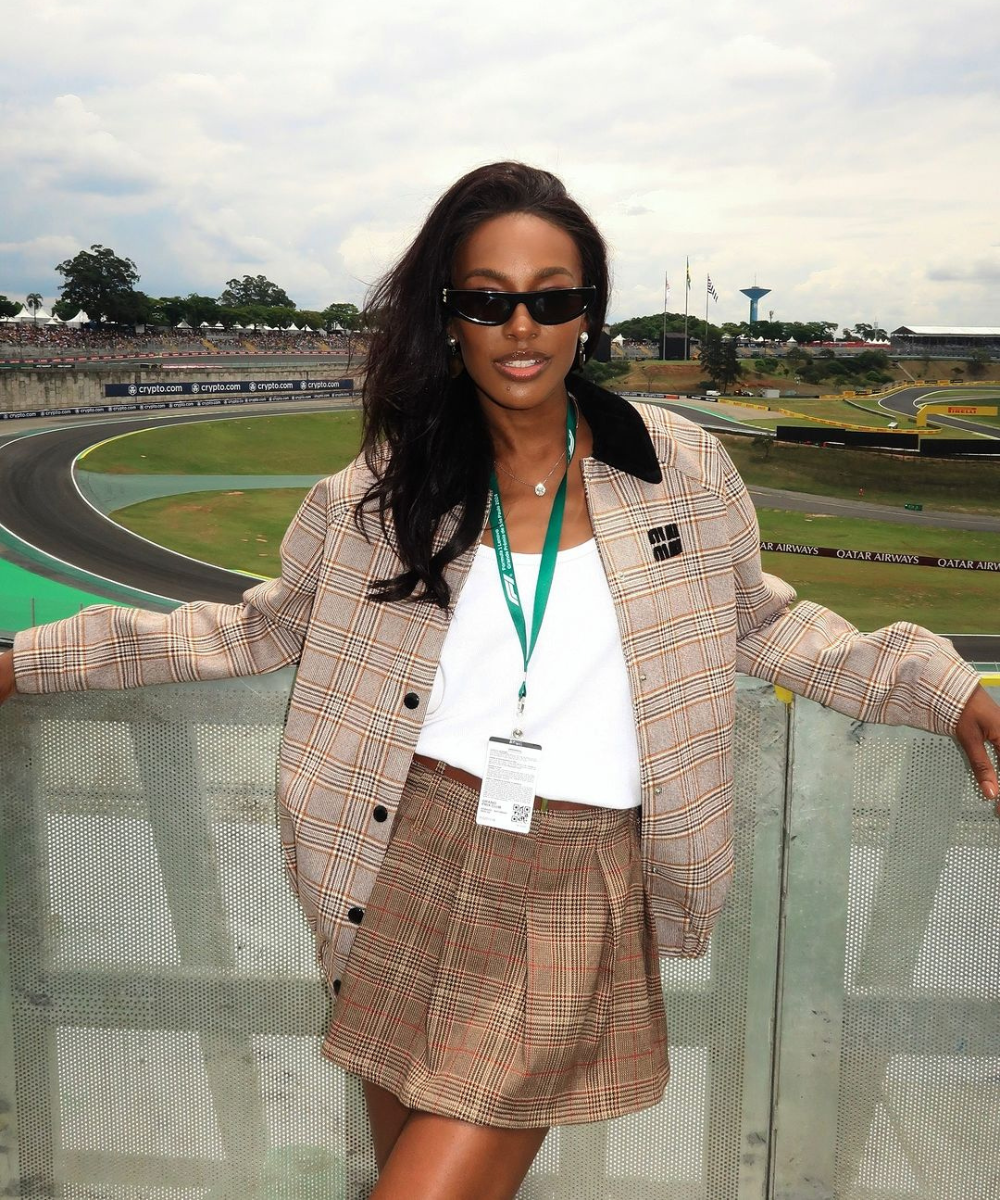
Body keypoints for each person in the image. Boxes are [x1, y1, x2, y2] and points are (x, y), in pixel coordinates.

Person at [1, 162, 998, 1200]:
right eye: (488, 300)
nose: (521, 327)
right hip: (402, 856)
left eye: (551, 298)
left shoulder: (683, 473)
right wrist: (23, 663)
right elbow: (246, 631)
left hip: (578, 877)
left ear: (587, 314)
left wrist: (934, 680)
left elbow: (765, 624)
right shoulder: (381, 495)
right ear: (448, 318)